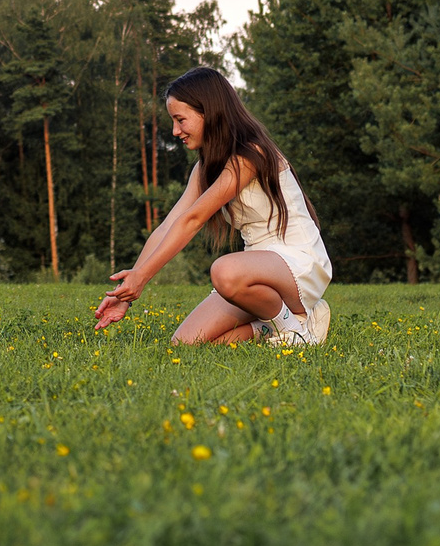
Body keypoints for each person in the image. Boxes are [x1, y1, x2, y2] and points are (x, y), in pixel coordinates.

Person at [92, 65, 334, 345]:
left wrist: (143, 278)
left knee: (224, 270)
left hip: (298, 261)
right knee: (185, 343)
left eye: (180, 120)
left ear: (208, 112)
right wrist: (127, 291)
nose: (175, 131)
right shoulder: (204, 169)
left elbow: (193, 220)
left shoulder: (250, 155)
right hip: (255, 272)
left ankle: (295, 331)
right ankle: (291, 324)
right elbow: (169, 226)